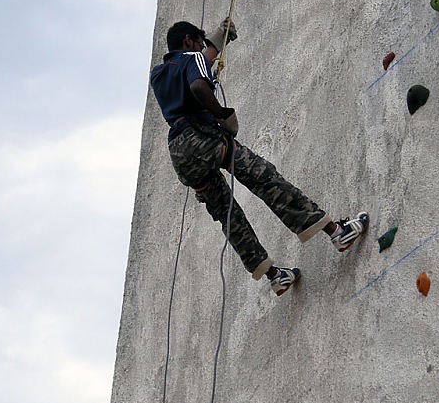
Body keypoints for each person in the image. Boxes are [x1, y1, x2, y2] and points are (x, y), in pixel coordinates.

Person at [150, 18, 369, 296]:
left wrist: (218, 41)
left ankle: (275, 276)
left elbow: (197, 64)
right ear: (188, 41)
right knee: (264, 178)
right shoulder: (192, 57)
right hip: (202, 136)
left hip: (180, 154)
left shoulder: (159, 75)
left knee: (227, 215)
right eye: (199, 42)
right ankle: (338, 232)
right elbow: (197, 85)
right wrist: (222, 114)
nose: (203, 47)